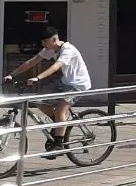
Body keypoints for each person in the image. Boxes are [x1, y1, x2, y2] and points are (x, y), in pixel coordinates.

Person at [5, 27, 91, 157]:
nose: (43, 44)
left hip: (78, 85)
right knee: (39, 100)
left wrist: (38, 77)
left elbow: (56, 66)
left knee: (60, 110)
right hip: (65, 82)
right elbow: (32, 62)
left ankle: (58, 145)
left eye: (45, 41)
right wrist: (12, 74)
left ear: (54, 39)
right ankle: (59, 124)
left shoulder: (68, 50)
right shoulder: (49, 49)